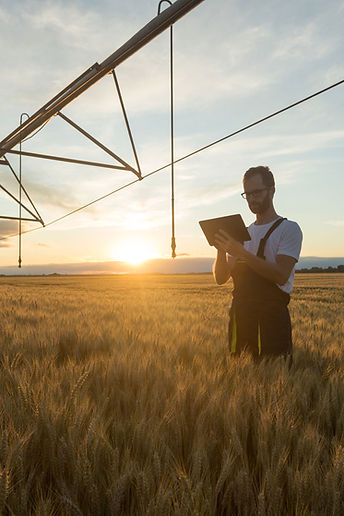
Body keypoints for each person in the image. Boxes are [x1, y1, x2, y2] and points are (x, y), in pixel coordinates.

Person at [213, 166, 302, 362]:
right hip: (240, 319)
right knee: (241, 379)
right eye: (247, 194)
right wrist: (220, 248)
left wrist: (242, 252)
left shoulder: (289, 229)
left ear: (272, 190)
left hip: (271, 319)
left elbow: (281, 275)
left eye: (257, 192)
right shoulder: (242, 233)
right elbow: (221, 278)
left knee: (274, 379)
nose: (252, 199)